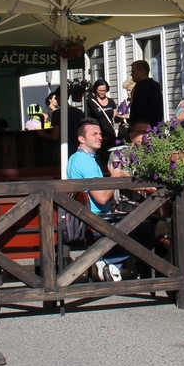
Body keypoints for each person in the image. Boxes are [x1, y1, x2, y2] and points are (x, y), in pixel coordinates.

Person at [65, 118, 129, 283]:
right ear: (82, 139)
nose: (99, 137)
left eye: (100, 133)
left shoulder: (75, 158)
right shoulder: (86, 162)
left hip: (85, 216)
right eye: (94, 134)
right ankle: (109, 262)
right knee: (144, 225)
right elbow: (101, 199)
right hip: (96, 218)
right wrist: (115, 176)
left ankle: (107, 261)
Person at [84, 78, 119, 150]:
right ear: (96, 90)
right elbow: (87, 119)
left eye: (104, 90)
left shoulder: (111, 101)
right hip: (98, 135)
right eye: (100, 90)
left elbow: (115, 116)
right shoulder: (91, 102)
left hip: (110, 134)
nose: (102, 93)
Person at [128, 59, 164, 128]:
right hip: (156, 126)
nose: (131, 74)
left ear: (141, 72)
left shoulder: (140, 87)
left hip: (141, 129)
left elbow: (140, 111)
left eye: (133, 72)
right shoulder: (155, 86)